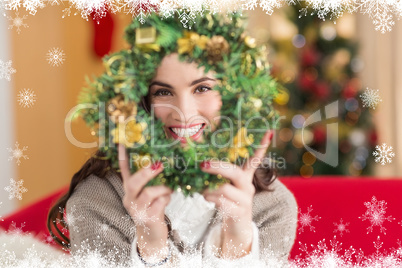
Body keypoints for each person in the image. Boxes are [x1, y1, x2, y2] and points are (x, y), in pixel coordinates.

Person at [48, 10, 298, 268]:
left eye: (202, 88)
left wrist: (238, 242)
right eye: (163, 92)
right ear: (141, 100)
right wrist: (152, 247)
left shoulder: (272, 208)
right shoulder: (95, 204)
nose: (185, 113)